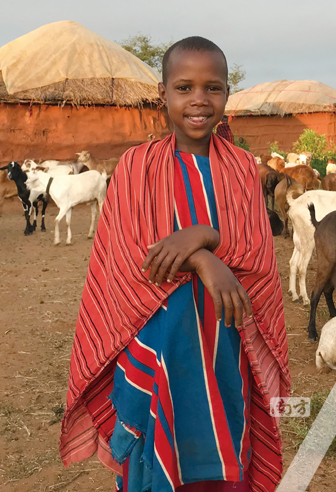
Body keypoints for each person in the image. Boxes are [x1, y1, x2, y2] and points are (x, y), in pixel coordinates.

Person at [60, 37, 290, 492]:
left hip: (225, 341)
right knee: (159, 449)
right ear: (163, 94)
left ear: (227, 95)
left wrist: (204, 235)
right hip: (157, 340)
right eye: (184, 87)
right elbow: (129, 253)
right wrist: (204, 256)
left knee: (224, 438)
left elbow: (256, 247)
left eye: (213, 88)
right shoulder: (136, 166)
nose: (199, 100)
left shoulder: (244, 167)